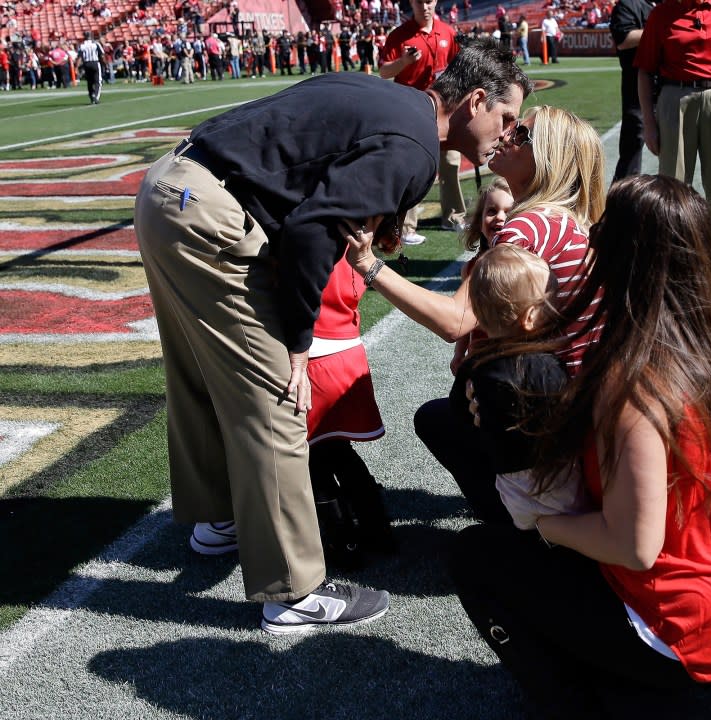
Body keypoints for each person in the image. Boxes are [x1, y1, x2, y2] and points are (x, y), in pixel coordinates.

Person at [134, 38, 530, 634]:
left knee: (194, 369)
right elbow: (312, 228)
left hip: (166, 188)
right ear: (475, 100)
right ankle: (291, 592)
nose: (506, 133)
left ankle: (217, 520)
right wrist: (296, 341)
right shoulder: (417, 146)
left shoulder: (384, 96)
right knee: (277, 397)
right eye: (505, 118)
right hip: (209, 213)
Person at [449, 174, 711, 718]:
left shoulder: (636, 384)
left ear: (625, 258)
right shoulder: (709, 346)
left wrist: (539, 526)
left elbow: (635, 546)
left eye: (604, 225)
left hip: (683, 625)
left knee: (476, 554)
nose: (590, 233)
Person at [345, 105, 606, 524]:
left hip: (544, 415)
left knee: (442, 416)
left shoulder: (529, 226)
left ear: (549, 158)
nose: (506, 135)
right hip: (579, 403)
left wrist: (369, 266)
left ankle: (514, 526)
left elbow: (455, 320)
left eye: (521, 134)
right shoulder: (570, 221)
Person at [448, 244, 590, 531]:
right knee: (566, 528)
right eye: (551, 299)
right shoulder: (541, 367)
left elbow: (459, 411)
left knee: (529, 527)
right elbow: (572, 419)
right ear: (530, 318)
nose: (558, 305)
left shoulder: (474, 364)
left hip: (510, 487)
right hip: (554, 483)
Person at [635, 0, 711, 293]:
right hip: (674, 99)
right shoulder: (663, 13)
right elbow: (644, 71)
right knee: (672, 187)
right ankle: (670, 264)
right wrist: (649, 124)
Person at [307, 248, 395, 568]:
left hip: (313, 354)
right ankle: (377, 528)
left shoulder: (304, 226)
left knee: (312, 455)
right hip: (347, 348)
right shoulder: (345, 217)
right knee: (339, 451)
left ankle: (342, 542)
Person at [380, 0, 467, 242]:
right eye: (419, 1)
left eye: (428, 1)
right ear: (412, 3)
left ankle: (454, 217)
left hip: (443, 108)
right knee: (413, 166)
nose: (425, 6)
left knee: (450, 163)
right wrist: (404, 62)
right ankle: (406, 227)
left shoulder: (447, 32)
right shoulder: (399, 35)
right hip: (410, 108)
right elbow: (384, 72)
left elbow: (458, 68)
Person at [450, 177, 515, 374]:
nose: (500, 217)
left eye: (509, 212)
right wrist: (459, 354)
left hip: (510, 362)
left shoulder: (522, 267)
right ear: (479, 221)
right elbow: (463, 317)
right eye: (492, 211)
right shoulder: (470, 269)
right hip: (477, 362)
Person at [609, 0, 657, 180]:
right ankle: (622, 199)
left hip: (669, 84)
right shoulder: (628, 5)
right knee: (633, 144)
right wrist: (661, 29)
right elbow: (623, 39)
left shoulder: (667, 4)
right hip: (636, 85)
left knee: (675, 149)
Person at [77, 31, 103, 104]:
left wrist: (76, 67)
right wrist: (104, 63)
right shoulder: (95, 44)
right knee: (98, 81)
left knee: (90, 81)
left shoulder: (81, 45)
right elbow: (102, 55)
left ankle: (92, 96)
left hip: (86, 64)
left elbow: (79, 57)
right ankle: (96, 97)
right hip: (95, 62)